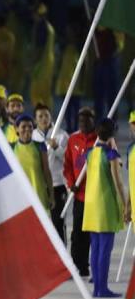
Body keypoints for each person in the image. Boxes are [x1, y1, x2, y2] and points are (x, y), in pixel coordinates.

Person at [83, 119, 129, 298]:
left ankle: (97, 287)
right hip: (106, 204)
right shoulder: (111, 154)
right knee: (105, 248)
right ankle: (102, 288)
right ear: (113, 134)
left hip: (91, 205)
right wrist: (125, 204)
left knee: (95, 247)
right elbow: (118, 181)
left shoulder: (90, 153)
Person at [65, 107, 98, 276]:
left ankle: (90, 266)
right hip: (79, 195)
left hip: (95, 197)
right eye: (81, 121)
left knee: (93, 234)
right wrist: (71, 183)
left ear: (94, 120)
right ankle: (78, 265)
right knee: (77, 233)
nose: (83, 123)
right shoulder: (73, 139)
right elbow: (68, 165)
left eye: (87, 120)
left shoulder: (99, 140)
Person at [34, 104, 70, 241]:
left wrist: (56, 148)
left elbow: (68, 159)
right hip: (39, 186)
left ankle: (61, 258)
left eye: (46, 115)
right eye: (40, 116)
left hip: (57, 185)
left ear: (51, 116)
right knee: (41, 224)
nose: (44, 119)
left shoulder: (61, 135)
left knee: (58, 223)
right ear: (35, 119)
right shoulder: (32, 136)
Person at [12, 114, 53, 211]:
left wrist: (51, 195)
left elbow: (46, 171)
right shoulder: (10, 147)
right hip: (19, 198)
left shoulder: (40, 146)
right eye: (23, 127)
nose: (27, 129)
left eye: (30, 127)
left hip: (39, 196)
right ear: (17, 129)